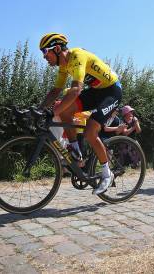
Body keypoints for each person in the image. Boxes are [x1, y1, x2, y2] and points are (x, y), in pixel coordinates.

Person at [39, 33, 122, 195]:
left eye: (45, 52)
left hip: (112, 91)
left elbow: (76, 89)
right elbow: (56, 91)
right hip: (96, 91)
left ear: (56, 49)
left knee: (90, 131)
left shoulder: (77, 56)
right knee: (65, 111)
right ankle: (77, 152)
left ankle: (107, 173)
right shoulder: (63, 66)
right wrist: (39, 109)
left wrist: (53, 111)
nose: (44, 57)